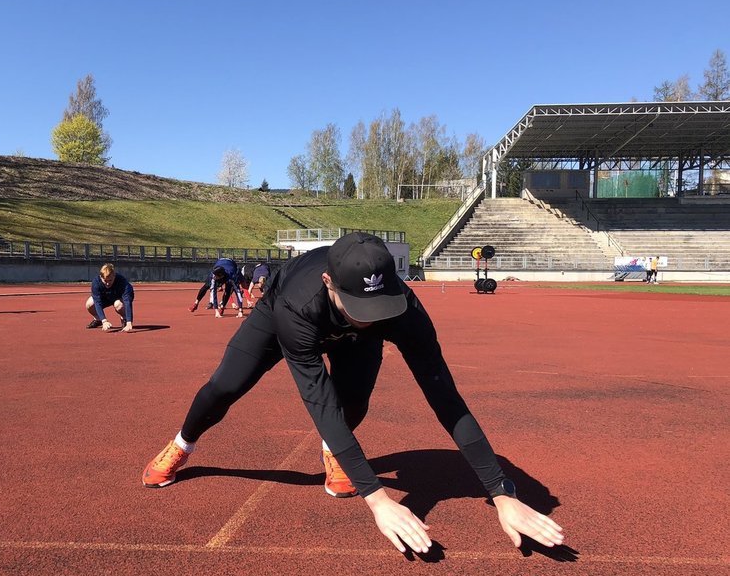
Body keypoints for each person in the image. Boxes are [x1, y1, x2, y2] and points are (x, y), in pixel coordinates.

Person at [141, 232, 565, 556]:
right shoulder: (299, 303)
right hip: (283, 318)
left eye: (378, 308)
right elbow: (319, 402)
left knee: (356, 401)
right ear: (329, 282)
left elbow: (445, 397)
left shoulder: (401, 308)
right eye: (361, 309)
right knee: (225, 387)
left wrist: (502, 494)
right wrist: (378, 499)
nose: (370, 320)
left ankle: (334, 452)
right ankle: (182, 444)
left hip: (349, 334)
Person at [86, 262, 134, 332]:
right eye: (105, 281)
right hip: (106, 298)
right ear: (100, 277)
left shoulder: (122, 282)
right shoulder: (96, 283)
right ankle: (98, 319)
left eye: (110, 280)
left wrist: (129, 322)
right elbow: (97, 302)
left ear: (114, 276)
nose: (108, 283)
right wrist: (104, 321)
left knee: (118, 305)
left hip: (119, 298)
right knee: (90, 303)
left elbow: (127, 301)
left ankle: (125, 318)